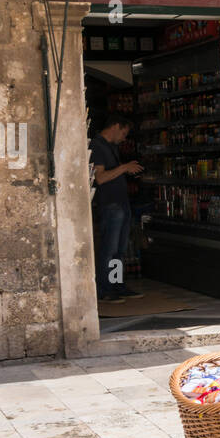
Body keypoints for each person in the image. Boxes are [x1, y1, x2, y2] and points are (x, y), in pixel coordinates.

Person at [91, 113, 144, 302]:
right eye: (124, 133)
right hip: (110, 205)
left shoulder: (111, 147)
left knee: (120, 249)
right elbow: (100, 178)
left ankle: (117, 285)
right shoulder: (97, 145)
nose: (124, 138)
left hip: (121, 204)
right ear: (115, 126)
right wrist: (124, 168)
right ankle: (105, 289)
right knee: (109, 249)